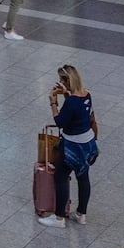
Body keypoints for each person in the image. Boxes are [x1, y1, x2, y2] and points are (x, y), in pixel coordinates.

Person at [40, 64, 100, 226]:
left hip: (72, 146)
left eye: (61, 80)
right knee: (83, 177)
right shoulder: (87, 94)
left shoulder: (71, 102)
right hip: (87, 143)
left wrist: (53, 103)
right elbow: (81, 114)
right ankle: (81, 214)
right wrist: (67, 95)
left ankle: (59, 217)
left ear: (67, 80)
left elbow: (60, 122)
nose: (60, 82)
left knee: (60, 176)